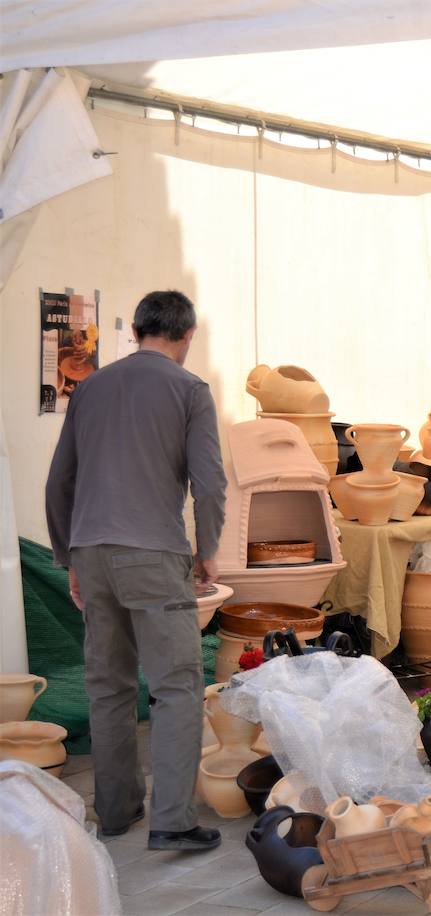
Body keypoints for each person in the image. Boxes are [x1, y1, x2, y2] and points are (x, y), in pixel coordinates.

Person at [45, 290, 227, 850]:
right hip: (153, 554)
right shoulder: (191, 390)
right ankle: (172, 821)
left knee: (108, 686)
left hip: (92, 552)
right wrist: (209, 549)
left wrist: (67, 555)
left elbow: (59, 483)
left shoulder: (91, 386)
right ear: (187, 335)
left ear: (136, 332)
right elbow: (210, 483)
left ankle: (117, 812)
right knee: (176, 686)